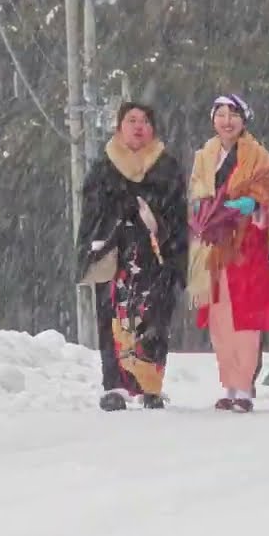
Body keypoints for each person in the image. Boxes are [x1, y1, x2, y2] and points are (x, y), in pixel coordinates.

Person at [76, 103, 188, 412]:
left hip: (154, 252)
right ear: (119, 127)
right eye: (131, 120)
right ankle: (114, 385)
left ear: (153, 128)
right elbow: (91, 213)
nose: (138, 127)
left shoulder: (166, 167)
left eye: (145, 121)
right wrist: (116, 217)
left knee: (154, 315)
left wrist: (158, 225)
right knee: (113, 316)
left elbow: (178, 214)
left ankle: (149, 384)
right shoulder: (103, 168)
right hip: (115, 253)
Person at [187, 94, 269, 414]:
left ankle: (244, 386)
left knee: (245, 315)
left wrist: (251, 203)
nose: (227, 121)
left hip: (246, 243)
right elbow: (196, 194)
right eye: (221, 114)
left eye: (233, 114)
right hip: (214, 244)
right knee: (218, 316)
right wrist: (204, 215)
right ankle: (229, 383)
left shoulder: (259, 157)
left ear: (244, 120)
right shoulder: (204, 156)